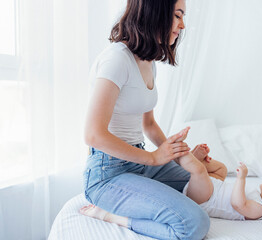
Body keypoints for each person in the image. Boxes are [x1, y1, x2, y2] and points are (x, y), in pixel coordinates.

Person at [79, 0, 210, 239]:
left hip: (139, 163)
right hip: (108, 174)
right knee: (194, 224)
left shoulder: (148, 61)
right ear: (156, 11)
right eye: (178, 15)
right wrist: (152, 157)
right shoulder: (117, 59)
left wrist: (177, 152)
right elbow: (93, 134)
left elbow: (148, 125)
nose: (182, 25)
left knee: (204, 181)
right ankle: (112, 215)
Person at [81, 140, 262, 227]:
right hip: (214, 189)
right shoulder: (261, 197)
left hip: (206, 199)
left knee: (198, 172)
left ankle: (189, 159)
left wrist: (242, 178)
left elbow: (238, 204)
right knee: (219, 169)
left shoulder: (260, 210)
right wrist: (222, 172)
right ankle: (200, 160)